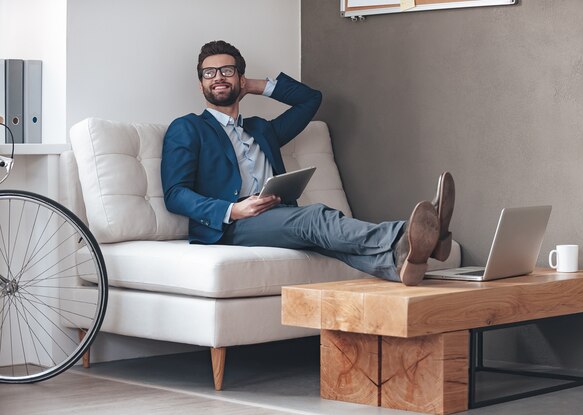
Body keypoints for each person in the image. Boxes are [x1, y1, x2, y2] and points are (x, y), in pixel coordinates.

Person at [161, 40, 455, 286]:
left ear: (240, 78)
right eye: (209, 73)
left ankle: (399, 265)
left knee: (327, 241)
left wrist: (254, 85)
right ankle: (409, 233)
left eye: (226, 71)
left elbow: (310, 100)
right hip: (232, 226)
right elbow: (176, 194)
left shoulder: (261, 129)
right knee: (315, 217)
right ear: (201, 85)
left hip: (277, 214)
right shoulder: (188, 128)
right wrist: (233, 210)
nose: (217, 77)